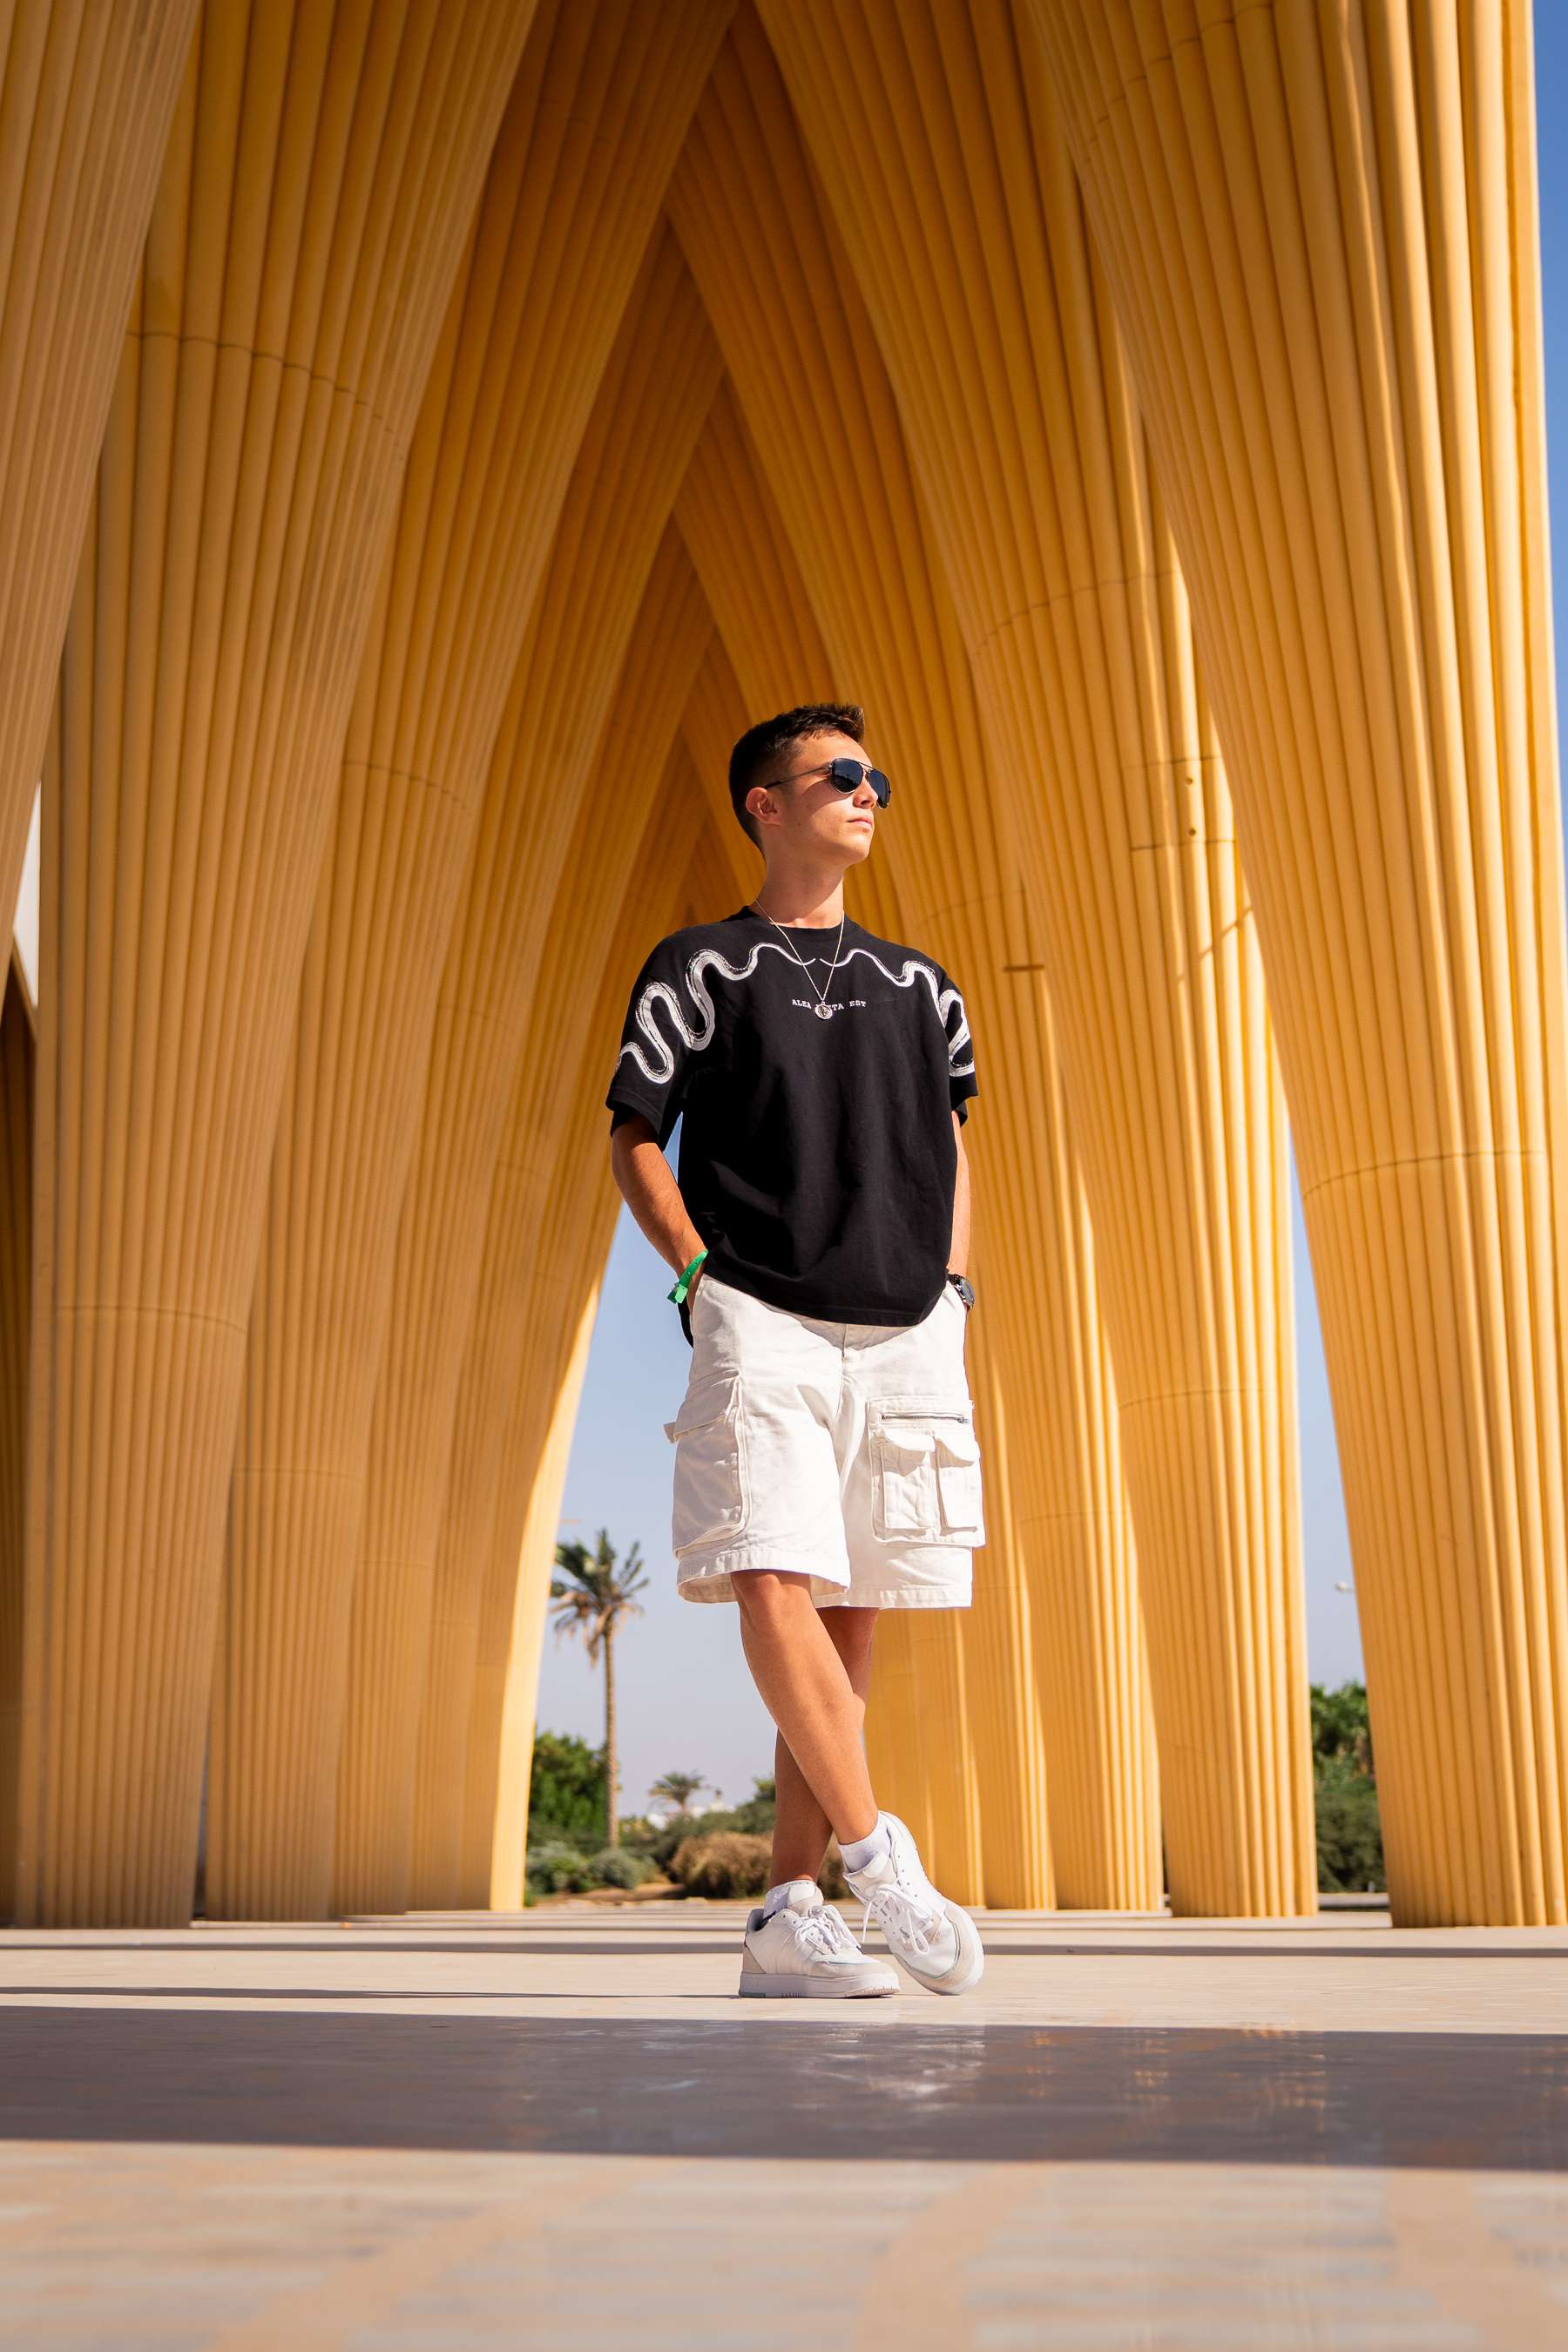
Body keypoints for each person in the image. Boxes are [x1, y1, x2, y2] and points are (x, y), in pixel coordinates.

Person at [605, 702, 985, 1999]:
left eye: (875, 778)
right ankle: (880, 1859)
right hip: (759, 1306)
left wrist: (953, 1288)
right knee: (769, 1571)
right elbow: (635, 1132)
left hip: (907, 1324)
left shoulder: (924, 986)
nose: (868, 792)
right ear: (766, 804)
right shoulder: (701, 966)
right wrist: (695, 1273)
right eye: (841, 775)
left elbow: (953, 1139)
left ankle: (788, 1911)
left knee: (851, 1614)